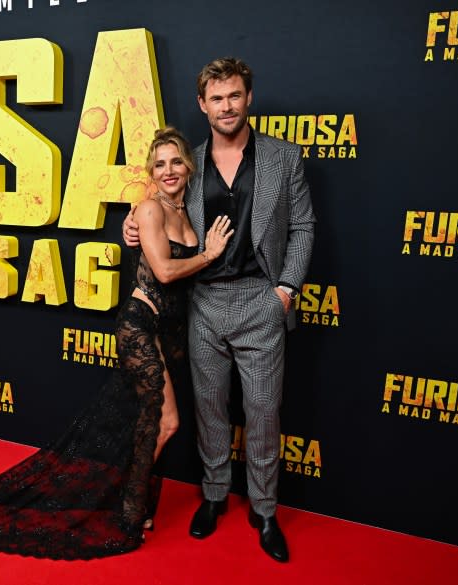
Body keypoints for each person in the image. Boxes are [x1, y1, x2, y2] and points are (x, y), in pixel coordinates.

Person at [0, 127, 234, 560]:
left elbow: (163, 265)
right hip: (142, 325)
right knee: (165, 423)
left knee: (145, 424)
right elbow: (166, 272)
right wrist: (209, 254)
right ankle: (127, 513)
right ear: (149, 171)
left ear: (188, 166)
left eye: (175, 162)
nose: (168, 170)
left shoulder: (187, 213)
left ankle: (134, 505)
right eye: (159, 163)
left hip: (171, 333)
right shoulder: (150, 209)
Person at [123, 57, 315, 563]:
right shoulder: (192, 162)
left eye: (234, 96)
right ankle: (212, 496)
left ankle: (265, 509)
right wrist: (132, 223)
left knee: (263, 412)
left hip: (261, 300)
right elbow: (157, 203)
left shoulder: (283, 157)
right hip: (203, 304)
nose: (226, 106)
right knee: (209, 411)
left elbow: (303, 228)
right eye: (216, 98)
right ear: (202, 105)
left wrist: (287, 290)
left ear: (248, 98)